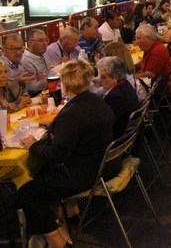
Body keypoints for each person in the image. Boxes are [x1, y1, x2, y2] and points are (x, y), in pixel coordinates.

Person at [18, 60, 116, 248]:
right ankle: (58, 221)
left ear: (65, 83)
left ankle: (57, 241)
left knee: (27, 192)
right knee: (40, 177)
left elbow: (57, 155)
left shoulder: (72, 114)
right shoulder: (96, 101)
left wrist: (32, 146)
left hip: (82, 174)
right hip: (102, 165)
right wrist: (55, 126)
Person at [97, 56, 141, 139]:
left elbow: (105, 124)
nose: (99, 80)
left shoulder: (115, 98)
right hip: (131, 136)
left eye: (103, 77)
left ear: (116, 78)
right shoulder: (125, 85)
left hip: (119, 141)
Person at [134, 24, 171, 97]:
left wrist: (132, 77)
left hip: (157, 90)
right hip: (153, 84)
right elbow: (143, 63)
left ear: (148, 38)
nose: (136, 42)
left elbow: (150, 74)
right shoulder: (153, 47)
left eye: (138, 38)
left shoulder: (157, 51)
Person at [21, 29, 51, 96]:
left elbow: (50, 73)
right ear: (30, 42)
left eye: (46, 40)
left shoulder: (42, 55)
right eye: (41, 41)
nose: (45, 44)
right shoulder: (25, 61)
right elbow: (31, 88)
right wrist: (53, 80)